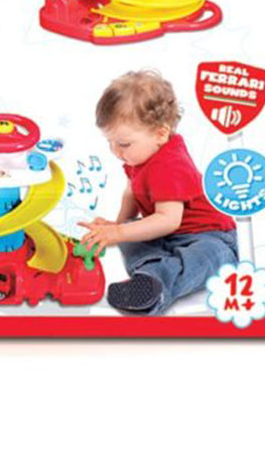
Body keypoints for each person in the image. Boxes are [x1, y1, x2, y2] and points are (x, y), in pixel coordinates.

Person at [80, 70, 238, 315]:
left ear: (160, 134)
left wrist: (119, 233)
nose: (115, 151)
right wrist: (118, 227)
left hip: (207, 235)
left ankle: (159, 288)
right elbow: (131, 194)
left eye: (123, 144)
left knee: (208, 255)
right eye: (109, 142)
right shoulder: (139, 155)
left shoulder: (169, 165)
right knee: (130, 235)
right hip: (166, 233)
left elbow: (168, 220)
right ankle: (149, 277)